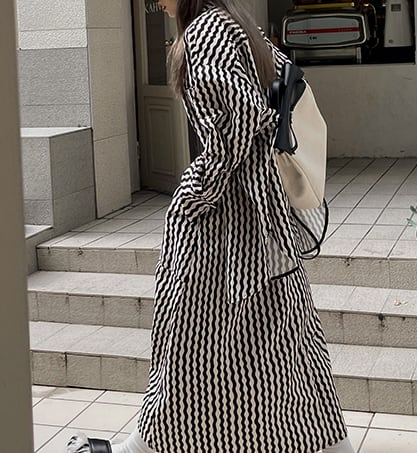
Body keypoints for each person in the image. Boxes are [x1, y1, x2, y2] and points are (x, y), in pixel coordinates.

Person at [67, 0, 355, 452]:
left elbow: (244, 114)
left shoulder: (204, 33)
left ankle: (143, 446)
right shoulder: (238, 25)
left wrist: (198, 188)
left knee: (188, 343)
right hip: (260, 220)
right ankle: (325, 443)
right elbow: (275, 93)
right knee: (281, 343)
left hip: (224, 226)